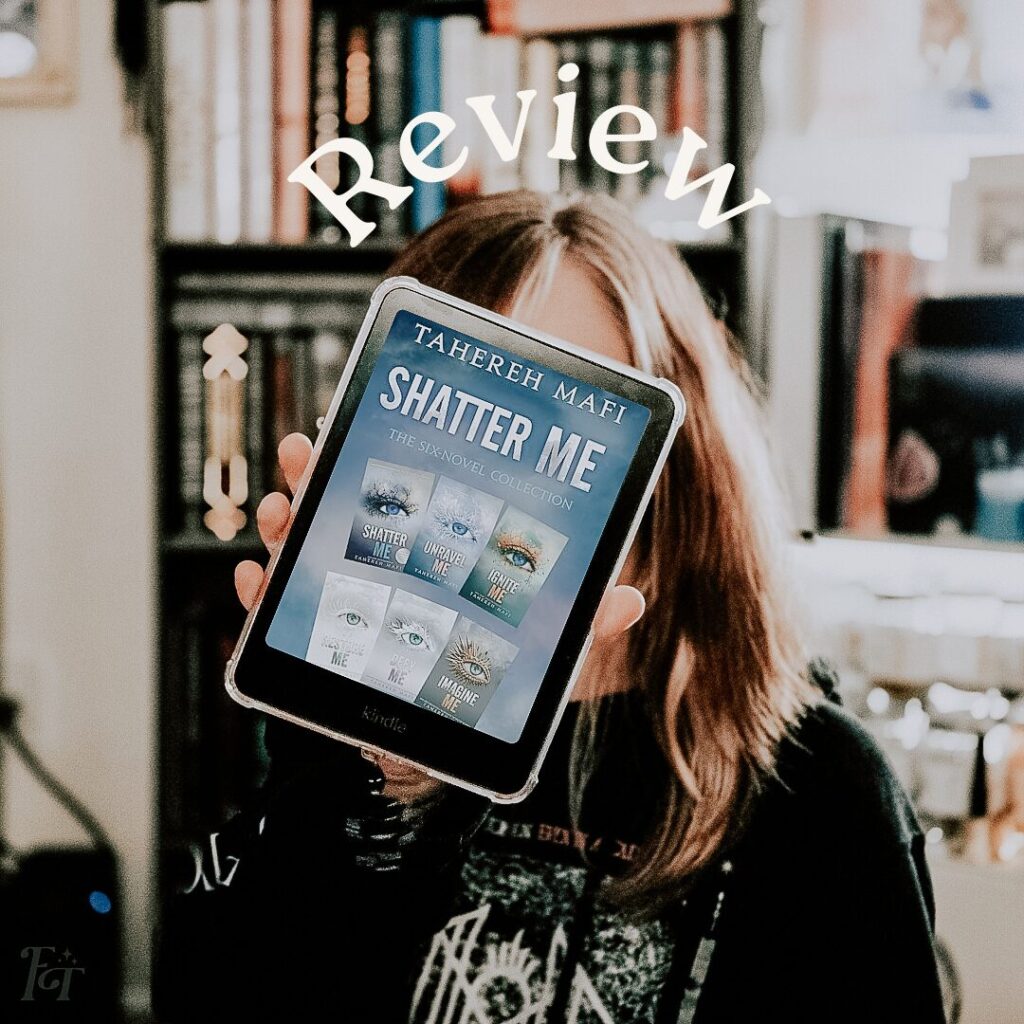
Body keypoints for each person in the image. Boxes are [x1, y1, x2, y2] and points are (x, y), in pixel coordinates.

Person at [153, 192, 946, 1023]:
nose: (490, 481)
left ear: (677, 457)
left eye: (555, 421)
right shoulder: (342, 741)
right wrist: (381, 788)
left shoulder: (823, 794)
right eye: (451, 408)